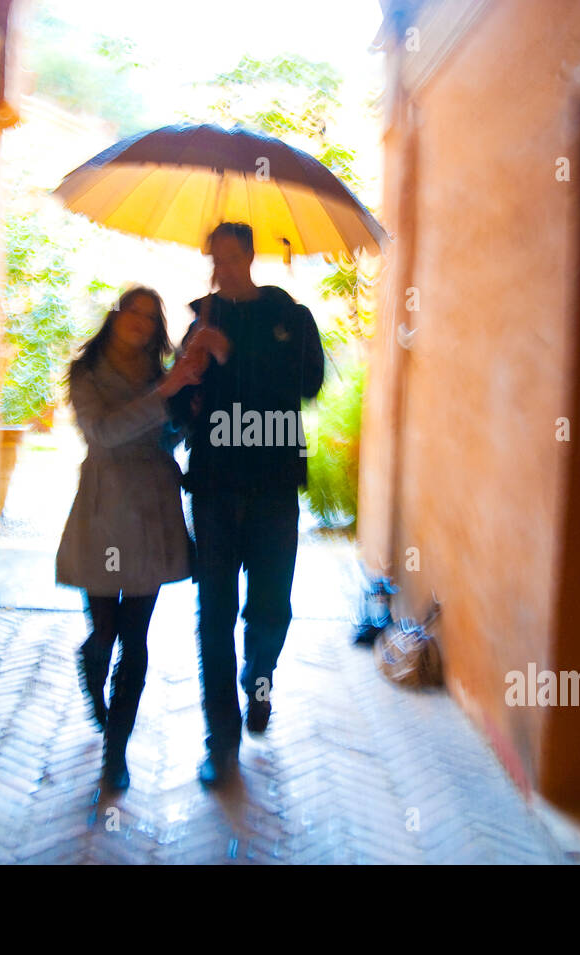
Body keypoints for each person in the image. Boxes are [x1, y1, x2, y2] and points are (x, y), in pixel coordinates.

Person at [167, 222, 325, 788]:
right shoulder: (201, 322)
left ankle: (260, 680)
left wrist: (233, 353)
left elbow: (306, 385)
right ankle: (221, 742)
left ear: (250, 256)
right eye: (216, 259)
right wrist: (190, 375)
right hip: (213, 489)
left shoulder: (293, 319)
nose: (223, 269)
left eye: (232, 258)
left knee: (270, 607)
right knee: (213, 616)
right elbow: (182, 411)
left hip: (274, 487)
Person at [55, 286, 205, 791]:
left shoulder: (163, 375)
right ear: (116, 317)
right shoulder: (87, 373)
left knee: (136, 638)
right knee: (104, 631)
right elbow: (101, 435)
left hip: (151, 511)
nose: (141, 322)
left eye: (151, 315)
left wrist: (187, 401)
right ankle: (92, 669)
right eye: (133, 311)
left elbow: (167, 437)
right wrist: (163, 397)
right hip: (103, 509)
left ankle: (115, 751)